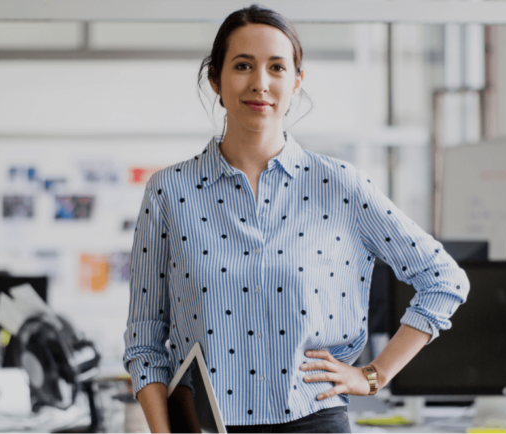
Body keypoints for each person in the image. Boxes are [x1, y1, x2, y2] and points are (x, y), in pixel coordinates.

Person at [123, 4, 471, 433]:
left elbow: (444, 280)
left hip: (315, 419)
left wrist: (372, 375)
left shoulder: (341, 186)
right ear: (215, 78)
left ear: (297, 81)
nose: (260, 84)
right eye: (243, 65)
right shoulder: (168, 193)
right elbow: (143, 341)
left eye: (277, 68)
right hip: (210, 424)